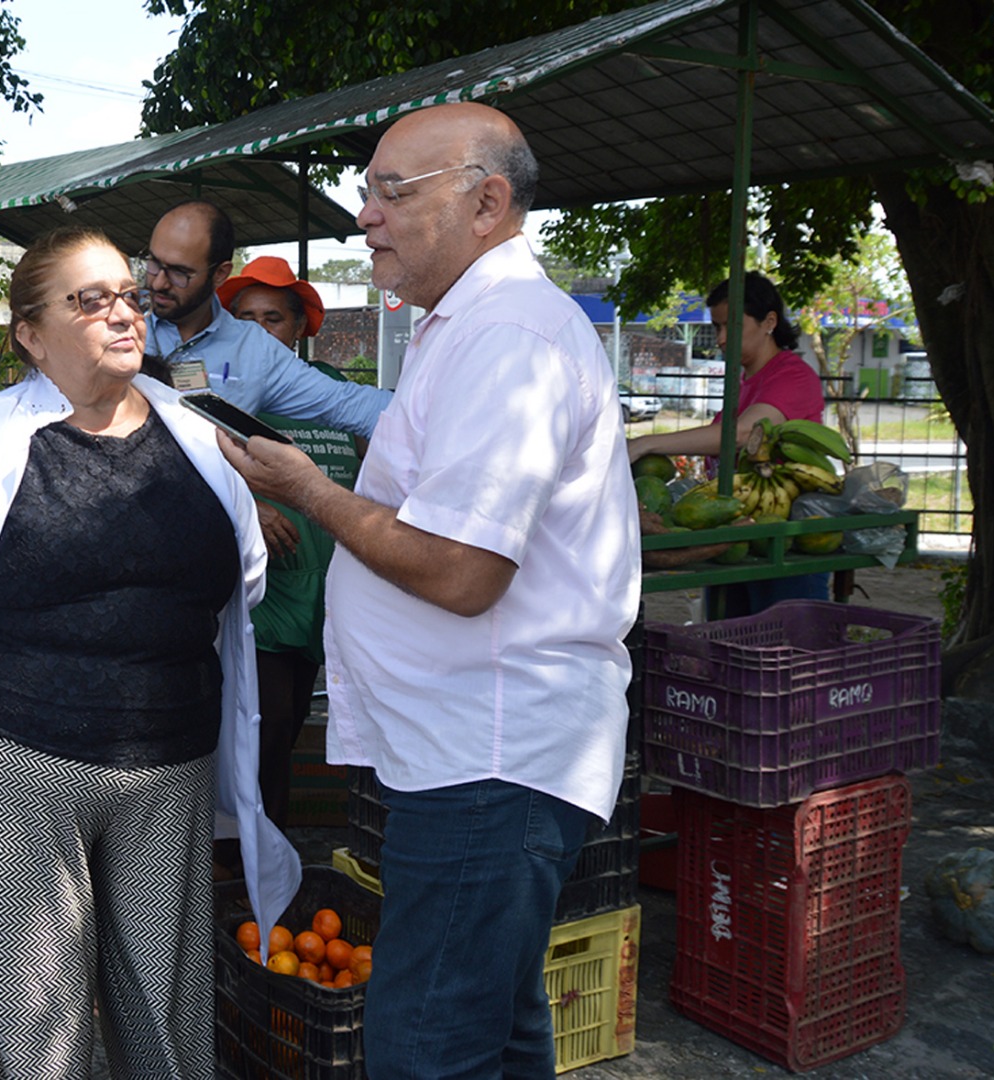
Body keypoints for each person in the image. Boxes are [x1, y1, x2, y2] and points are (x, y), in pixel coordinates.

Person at [216, 103, 641, 1078]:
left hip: (489, 756)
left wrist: (308, 490)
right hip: (467, 751)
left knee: (421, 1049)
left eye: (389, 191)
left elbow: (460, 571)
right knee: (496, 1028)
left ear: (487, 201)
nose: (363, 215)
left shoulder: (510, 340)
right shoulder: (464, 330)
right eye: (367, 191)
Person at [0, 226, 299, 1079]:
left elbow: (242, 579)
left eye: (129, 295)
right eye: (90, 300)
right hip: (19, 767)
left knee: (167, 1018)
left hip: (167, 767)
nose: (123, 314)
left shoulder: (197, 432)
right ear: (31, 334)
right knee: (43, 1035)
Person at [217, 256, 361, 832]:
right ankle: (243, 858)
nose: (258, 332)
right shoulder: (228, 393)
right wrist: (248, 500)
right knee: (264, 723)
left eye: (272, 318)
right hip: (263, 593)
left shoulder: (331, 389)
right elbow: (190, 461)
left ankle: (261, 862)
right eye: (244, 318)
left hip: (324, 588)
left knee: (291, 719)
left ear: (299, 327)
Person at [627, 271, 828, 615]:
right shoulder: (742, 380)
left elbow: (745, 433)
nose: (720, 339)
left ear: (769, 322)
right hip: (737, 538)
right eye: (717, 327)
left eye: (728, 327)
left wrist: (648, 443)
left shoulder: (793, 376)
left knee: (785, 651)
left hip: (780, 545)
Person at [143, 200, 392, 437]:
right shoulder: (120, 325)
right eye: (153, 263)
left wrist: (426, 410)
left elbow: (348, 404)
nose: (158, 282)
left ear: (220, 274)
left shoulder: (255, 351)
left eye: (179, 273)